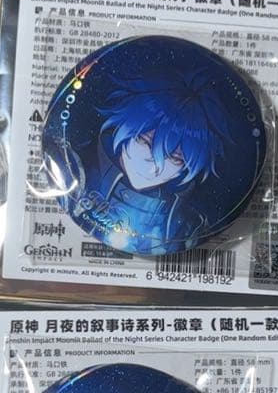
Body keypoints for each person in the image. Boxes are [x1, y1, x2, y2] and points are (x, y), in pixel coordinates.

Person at [69, 64, 234, 253]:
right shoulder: (71, 168)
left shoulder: (188, 228)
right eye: (145, 142)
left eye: (175, 159)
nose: (154, 167)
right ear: (125, 128)